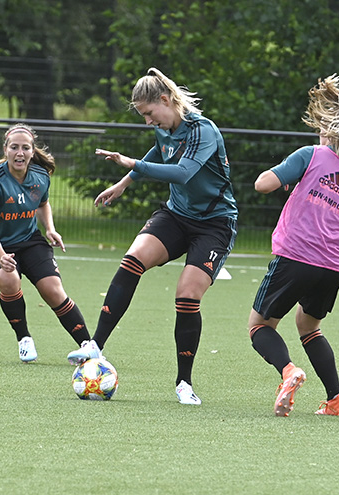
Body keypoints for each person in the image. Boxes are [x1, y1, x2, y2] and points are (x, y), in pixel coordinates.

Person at [66, 68, 237, 406]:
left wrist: (131, 164)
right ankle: (95, 345)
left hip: (214, 224)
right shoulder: (165, 128)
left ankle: (184, 383)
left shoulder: (203, 130)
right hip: (176, 215)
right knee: (132, 259)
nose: (147, 121)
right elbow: (158, 154)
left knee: (187, 294)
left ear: (165, 100)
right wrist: (124, 182)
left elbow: (184, 173)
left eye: (148, 113)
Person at [248, 74, 339, 417]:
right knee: (309, 326)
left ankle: (288, 371)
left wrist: (284, 176)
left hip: (295, 257)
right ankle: (336, 401)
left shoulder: (310, 155)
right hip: (334, 268)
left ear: (332, 129)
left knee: (260, 326)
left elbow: (262, 184)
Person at [0, 123, 91, 362]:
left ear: (32, 150)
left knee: (53, 290)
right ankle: (24, 339)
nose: (20, 153)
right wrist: (0, 256)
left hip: (30, 241)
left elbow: (42, 203)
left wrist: (50, 228)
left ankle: (88, 346)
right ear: (5, 150)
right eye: (14, 147)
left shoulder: (40, 175)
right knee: (9, 280)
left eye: (25, 148)